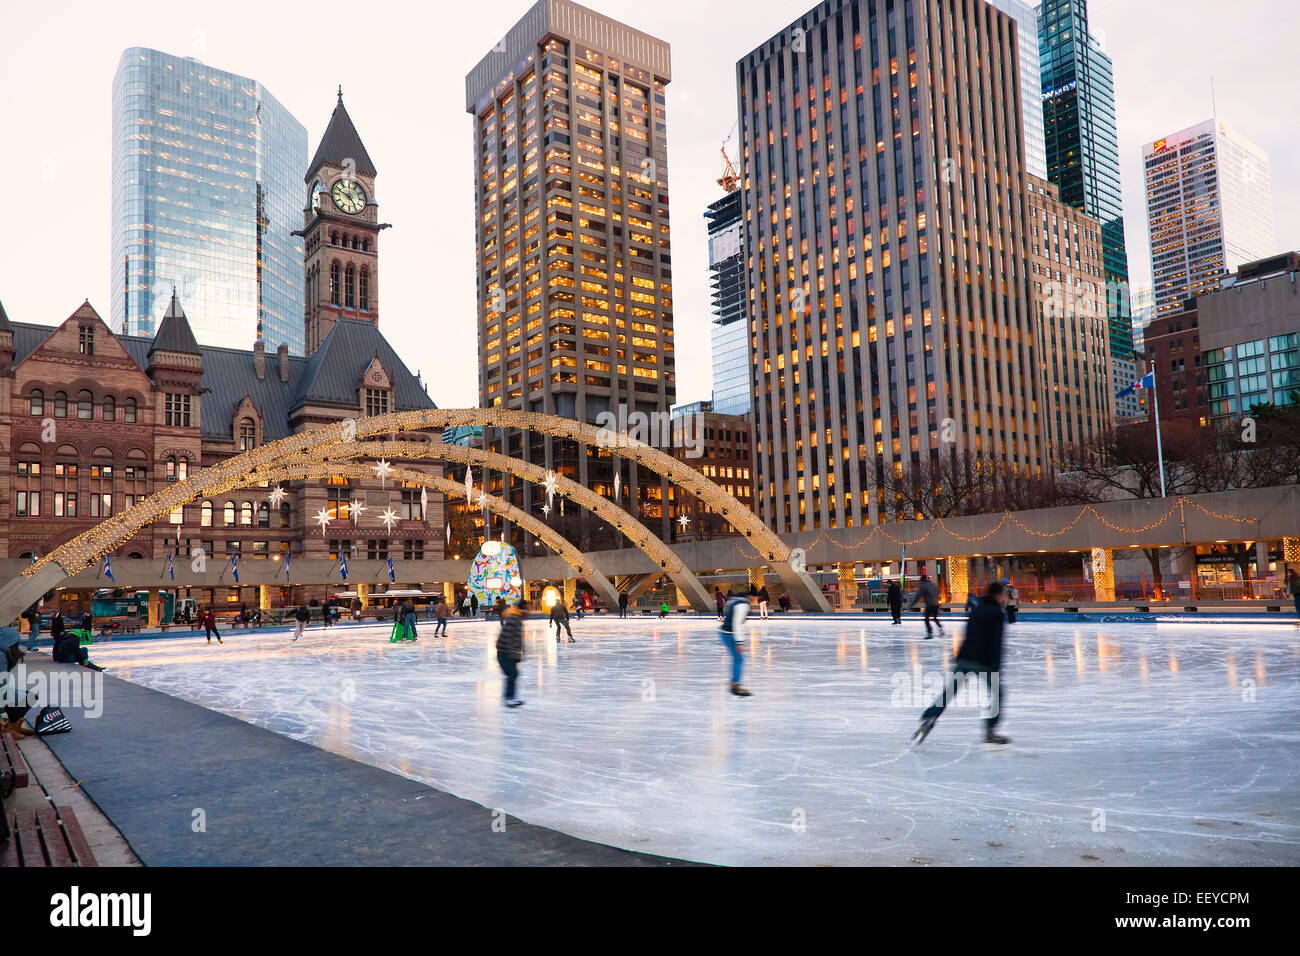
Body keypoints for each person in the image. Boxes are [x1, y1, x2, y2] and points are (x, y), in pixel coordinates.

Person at [912, 581, 1010, 746]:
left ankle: (930, 716)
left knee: (949, 692)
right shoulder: (996, 613)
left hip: (965, 658)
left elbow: (968, 635)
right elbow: (996, 642)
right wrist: (997, 665)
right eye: (1004, 594)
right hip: (984, 661)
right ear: (998, 595)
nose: (1006, 597)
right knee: (997, 695)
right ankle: (990, 731)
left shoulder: (976, 609)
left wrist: (959, 657)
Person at [719, 589, 753, 697]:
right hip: (729, 634)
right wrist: (739, 642)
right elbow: (737, 623)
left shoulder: (735, 601)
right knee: (739, 659)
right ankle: (735, 685)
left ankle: (734, 682)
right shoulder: (743, 604)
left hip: (725, 632)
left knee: (737, 658)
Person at [496, 600, 528, 708]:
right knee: (512, 674)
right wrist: (512, 653)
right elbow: (508, 637)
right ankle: (508, 698)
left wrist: (521, 652)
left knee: (513, 674)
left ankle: (512, 697)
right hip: (504, 652)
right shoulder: (514, 619)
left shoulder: (516, 618)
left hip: (508, 652)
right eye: (527, 608)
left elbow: (518, 639)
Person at [908, 572, 942, 638]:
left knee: (926, 619)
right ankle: (940, 629)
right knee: (935, 618)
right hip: (936, 604)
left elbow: (918, 596)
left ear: (921, 580)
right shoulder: (932, 584)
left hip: (930, 604)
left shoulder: (923, 585)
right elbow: (937, 593)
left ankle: (930, 633)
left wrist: (911, 605)